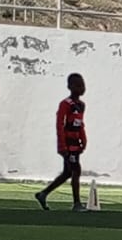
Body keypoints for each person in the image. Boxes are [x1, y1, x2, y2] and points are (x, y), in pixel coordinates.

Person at [35, 73, 88, 211]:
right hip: (68, 143)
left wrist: (83, 140)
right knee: (76, 170)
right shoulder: (65, 104)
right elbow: (60, 124)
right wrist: (62, 145)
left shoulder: (81, 105)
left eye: (82, 85)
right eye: (77, 85)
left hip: (76, 143)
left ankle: (43, 194)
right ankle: (77, 203)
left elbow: (80, 124)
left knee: (67, 172)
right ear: (69, 86)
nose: (81, 88)